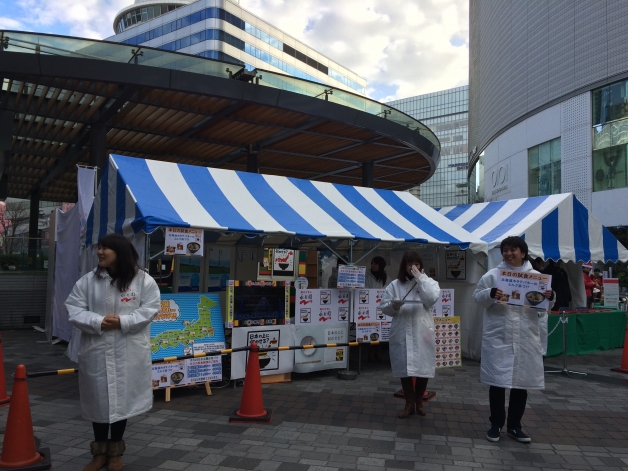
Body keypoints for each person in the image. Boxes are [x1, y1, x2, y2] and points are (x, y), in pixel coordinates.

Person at [66, 233, 160, 471]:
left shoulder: (143, 281)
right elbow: (74, 307)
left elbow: (151, 308)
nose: (100, 252)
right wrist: (98, 321)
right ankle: (99, 452)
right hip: (97, 350)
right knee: (99, 400)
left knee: (121, 400)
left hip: (128, 350)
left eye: (105, 248)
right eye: (99, 247)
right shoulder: (88, 281)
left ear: (120, 252)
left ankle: (115, 451)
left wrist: (123, 321)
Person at [474, 236, 554, 443]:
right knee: (497, 382)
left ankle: (515, 426)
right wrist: (491, 294)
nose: (509, 254)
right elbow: (477, 297)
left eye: (513, 250)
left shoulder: (537, 277)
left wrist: (550, 297)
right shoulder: (493, 275)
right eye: (505, 250)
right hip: (499, 335)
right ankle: (495, 424)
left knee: (521, 383)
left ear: (523, 253)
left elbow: (545, 308)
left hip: (526, 336)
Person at [380, 250, 440, 418]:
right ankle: (409, 403)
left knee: (423, 367)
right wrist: (395, 305)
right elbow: (384, 307)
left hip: (422, 330)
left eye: (417, 264)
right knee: (404, 368)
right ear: (403, 266)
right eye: (409, 264)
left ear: (421, 266)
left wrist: (421, 279)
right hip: (402, 329)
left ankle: (419, 401)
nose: (413, 267)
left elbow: (431, 298)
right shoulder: (394, 285)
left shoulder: (429, 282)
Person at [365, 256, 388, 362]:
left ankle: (378, 352)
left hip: (382, 307)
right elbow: (365, 289)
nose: (373, 266)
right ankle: (370, 352)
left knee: (380, 330)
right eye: (372, 263)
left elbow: (389, 290)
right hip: (370, 307)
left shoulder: (386, 276)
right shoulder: (367, 276)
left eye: (375, 264)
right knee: (372, 330)